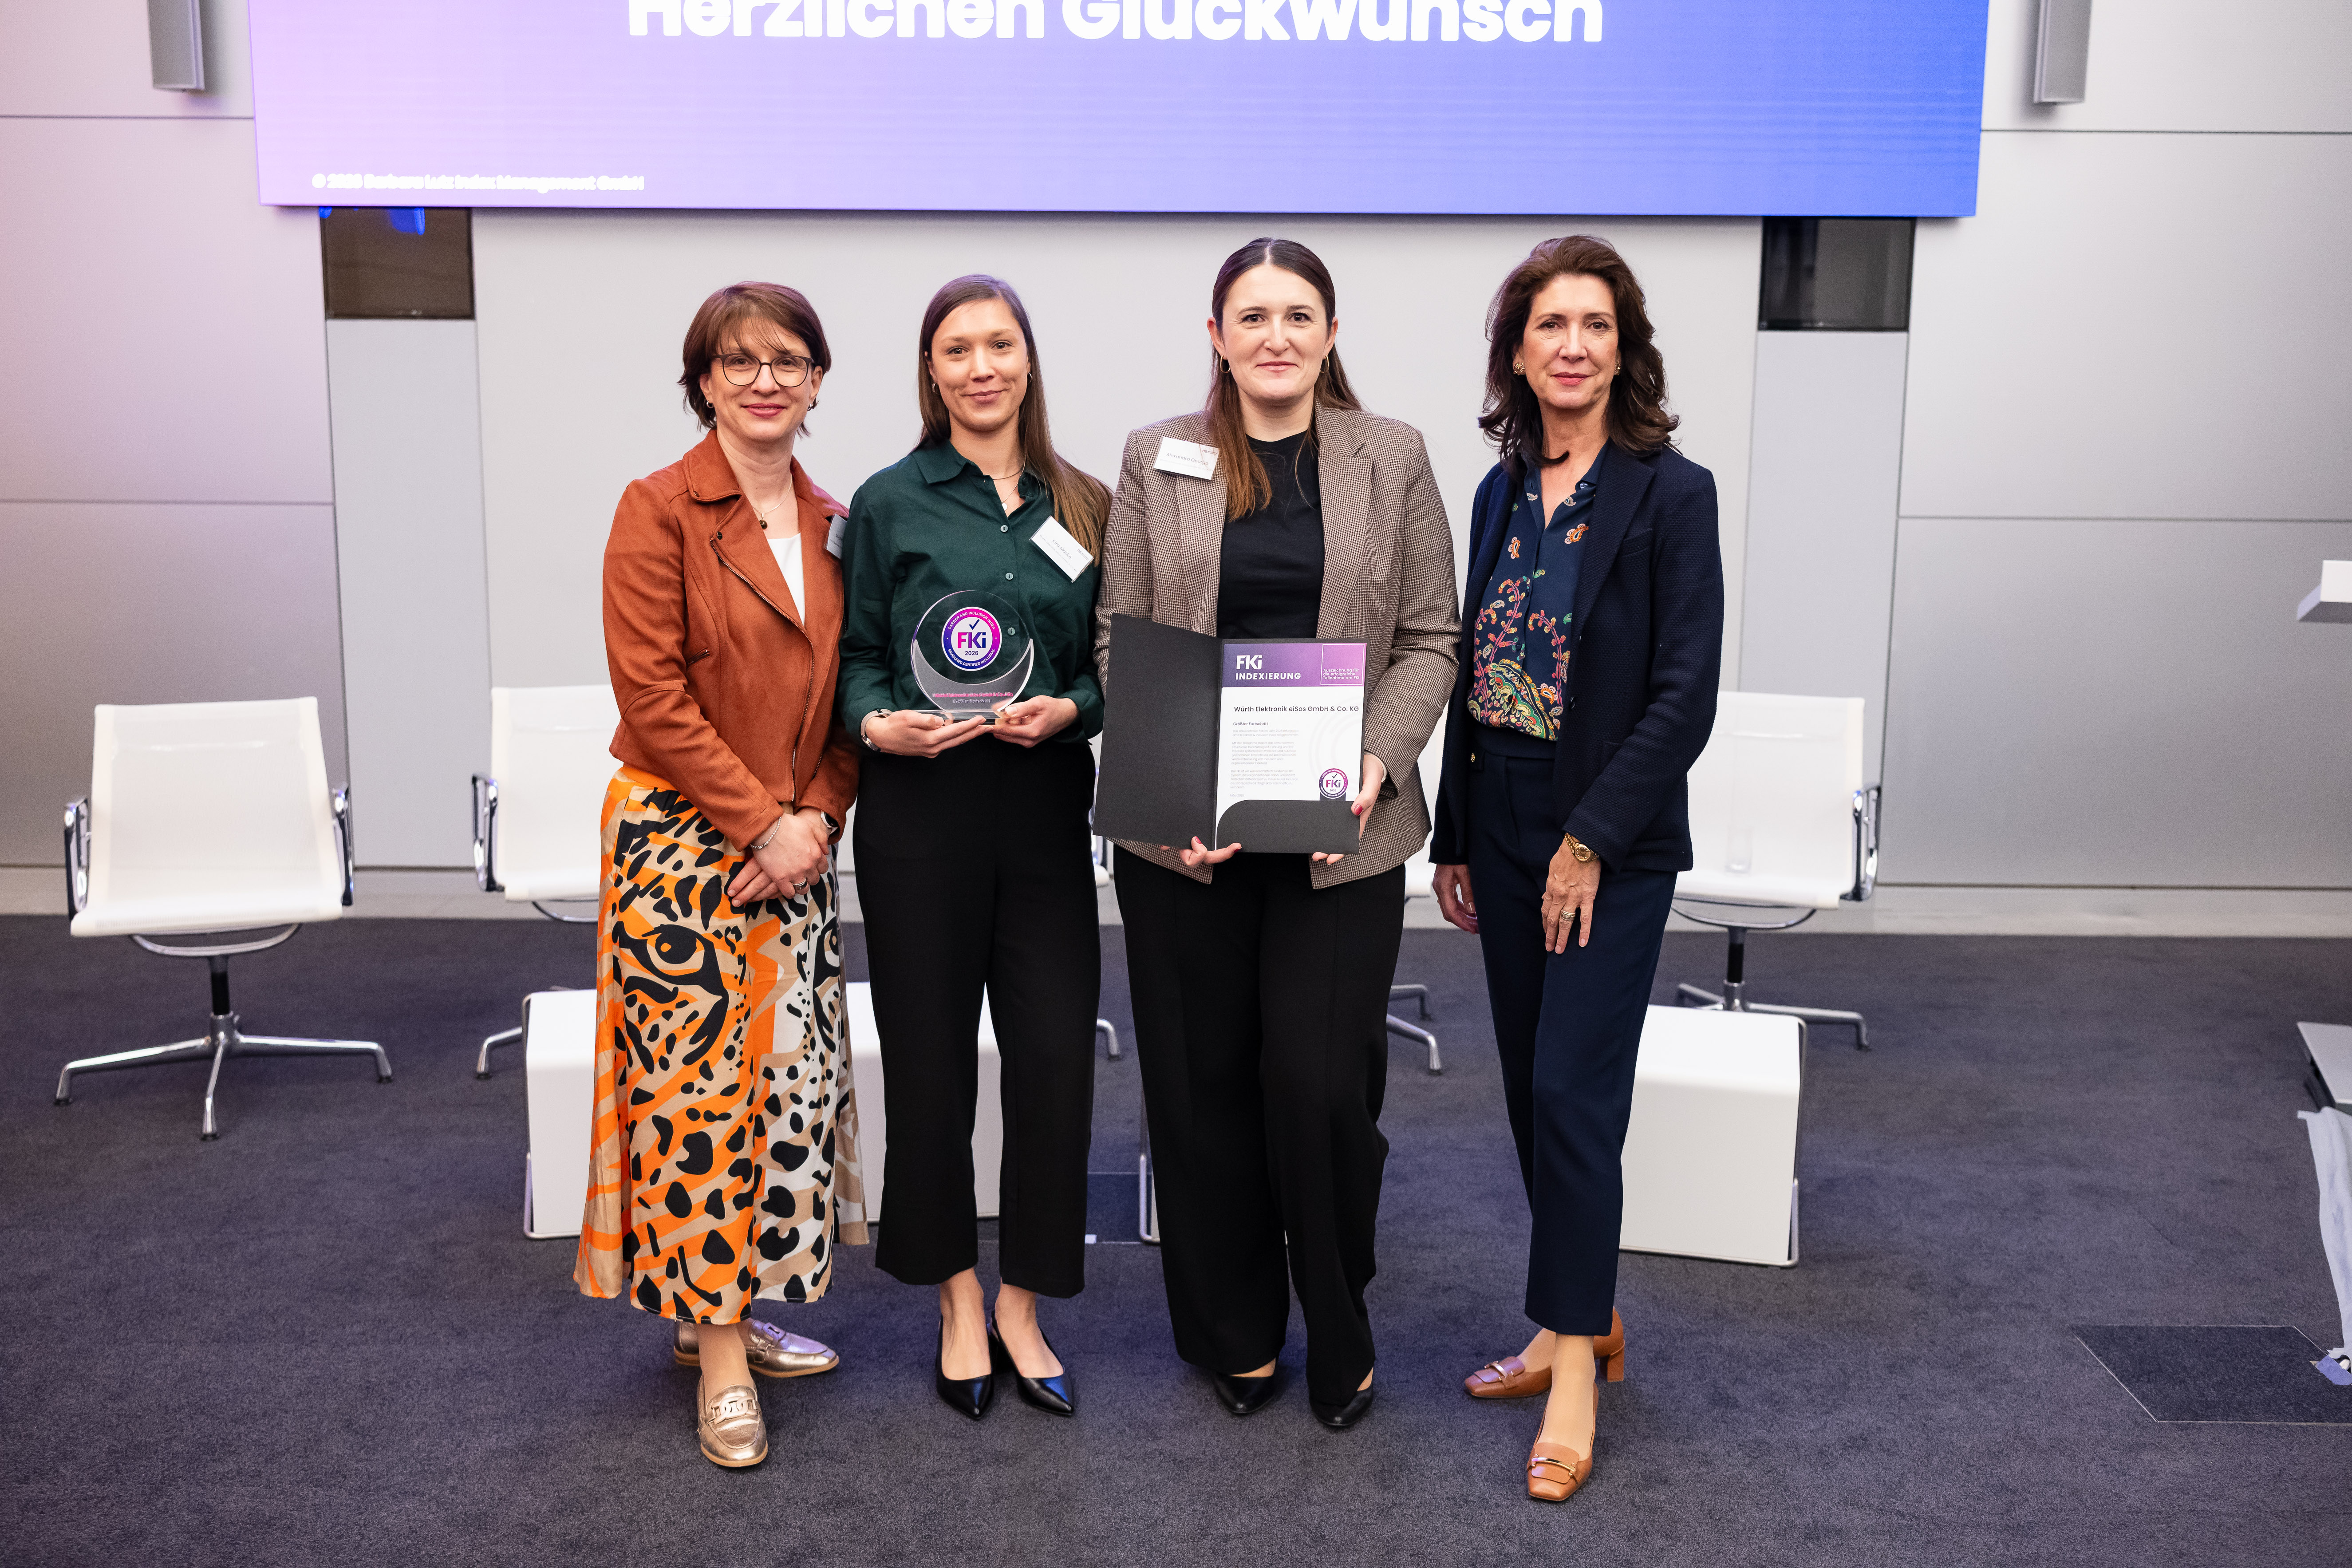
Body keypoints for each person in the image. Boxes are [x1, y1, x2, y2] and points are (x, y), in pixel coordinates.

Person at [1093, 237, 1459, 1430]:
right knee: (1201, 1092)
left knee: (1318, 1089)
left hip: (1337, 834)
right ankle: (1232, 1333)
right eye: (1250, 316)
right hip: (1187, 846)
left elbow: (1429, 637)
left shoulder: (1390, 456)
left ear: (1330, 333)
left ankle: (1338, 1320)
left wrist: (1376, 759)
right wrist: (1165, 794)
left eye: (1298, 315)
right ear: (1215, 336)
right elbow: (1121, 636)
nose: (1274, 336)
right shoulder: (1159, 458)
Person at [1428, 235, 1724, 1503]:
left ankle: (1573, 1379)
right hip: (1497, 817)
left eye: (1594, 325)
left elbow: (1682, 696)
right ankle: (1570, 1319)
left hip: (1604, 833)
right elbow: (1468, 670)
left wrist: (1590, 840)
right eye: (1549, 324)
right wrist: (1450, 833)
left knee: (1572, 1096)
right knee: (1524, 1095)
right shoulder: (1500, 490)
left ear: (1624, 346)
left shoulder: (1670, 493)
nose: (1571, 346)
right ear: (1516, 350)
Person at [576, 282, 868, 1469]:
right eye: (737, 361)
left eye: (787, 359)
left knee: (788, 1095)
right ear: (702, 381)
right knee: (696, 1107)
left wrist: (816, 816)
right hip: (679, 841)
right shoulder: (656, 511)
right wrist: (764, 824)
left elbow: (859, 699)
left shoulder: (843, 522)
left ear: (815, 381)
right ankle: (725, 1360)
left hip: (794, 839)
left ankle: (729, 1315)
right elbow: (653, 696)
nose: (763, 379)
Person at [838, 275, 1109, 1421]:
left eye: (999, 344)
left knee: (1052, 1063)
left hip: (1045, 810)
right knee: (932, 1063)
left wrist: (1076, 710)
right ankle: (956, 1296)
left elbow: (1111, 660)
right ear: (931, 370)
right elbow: (853, 653)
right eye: (958, 349)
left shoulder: (1086, 502)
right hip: (921, 818)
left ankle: (1023, 1304)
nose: (981, 366)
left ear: (1029, 360)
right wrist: (872, 722)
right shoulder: (888, 502)